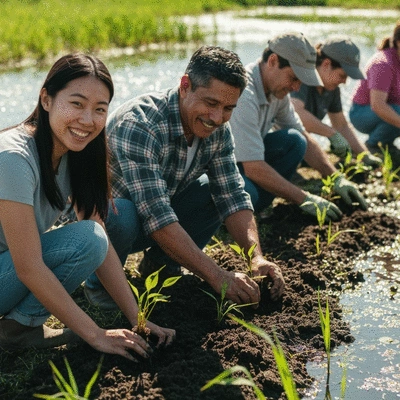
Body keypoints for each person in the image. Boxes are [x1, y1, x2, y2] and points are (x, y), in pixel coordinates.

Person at [84, 45, 285, 311]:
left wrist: (255, 258)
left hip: (157, 216)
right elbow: (157, 216)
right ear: (185, 85)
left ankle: (161, 263)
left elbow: (233, 196)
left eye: (228, 108)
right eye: (210, 103)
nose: (217, 118)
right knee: (122, 214)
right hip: (111, 224)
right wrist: (217, 276)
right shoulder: (140, 124)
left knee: (210, 192)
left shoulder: (218, 130)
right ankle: (99, 284)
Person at [0, 53, 174, 359]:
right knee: (85, 238)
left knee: (93, 237)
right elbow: (28, 266)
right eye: (76, 104)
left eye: (99, 109)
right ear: (46, 100)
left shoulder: (76, 152)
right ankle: (19, 330)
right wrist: (96, 335)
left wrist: (139, 320)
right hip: (12, 267)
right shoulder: (13, 159)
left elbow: (99, 243)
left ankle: (17, 329)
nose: (87, 120)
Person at [228, 32, 367, 222]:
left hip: (244, 164)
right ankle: (237, 211)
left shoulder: (279, 93)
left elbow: (303, 136)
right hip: (221, 168)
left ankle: (252, 205)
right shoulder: (246, 94)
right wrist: (304, 198)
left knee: (295, 140)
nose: (296, 88)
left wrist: (335, 178)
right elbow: (253, 167)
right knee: (247, 194)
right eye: (294, 78)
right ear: (273, 61)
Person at [291, 36, 381, 166]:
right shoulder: (303, 78)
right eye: (342, 75)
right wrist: (331, 134)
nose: (344, 82)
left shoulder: (331, 88)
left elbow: (341, 125)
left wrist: (364, 155)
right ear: (326, 64)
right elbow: (296, 113)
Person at [349, 21, 400, 151]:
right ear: (399, 43)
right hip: (362, 112)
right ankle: (374, 145)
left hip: (389, 107)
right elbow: (378, 105)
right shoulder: (383, 64)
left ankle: (386, 143)